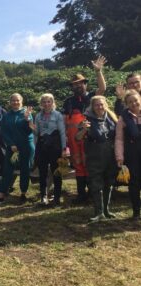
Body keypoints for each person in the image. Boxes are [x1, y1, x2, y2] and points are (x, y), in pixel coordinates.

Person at [63, 56, 107, 204]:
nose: (78, 86)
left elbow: (102, 88)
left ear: (85, 84)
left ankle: (93, 194)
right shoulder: (68, 101)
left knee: (91, 165)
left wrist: (98, 71)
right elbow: (64, 121)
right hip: (74, 139)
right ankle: (81, 195)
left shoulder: (92, 97)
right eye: (75, 85)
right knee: (78, 166)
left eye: (80, 83)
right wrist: (66, 143)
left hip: (90, 137)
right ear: (72, 87)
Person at [76, 96, 117, 222]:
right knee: (96, 184)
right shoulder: (86, 120)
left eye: (101, 104)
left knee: (109, 183)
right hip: (94, 156)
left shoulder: (112, 118)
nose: (99, 107)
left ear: (106, 105)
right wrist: (84, 130)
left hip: (110, 155)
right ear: (92, 107)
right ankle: (98, 212)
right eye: (96, 105)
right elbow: (77, 138)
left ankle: (106, 210)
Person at [0, 93, 35, 205]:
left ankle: (23, 194)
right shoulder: (7, 115)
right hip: (12, 147)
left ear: (21, 101)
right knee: (7, 169)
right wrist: (11, 144)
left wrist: (27, 120)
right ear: (10, 102)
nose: (15, 102)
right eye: (13, 101)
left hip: (26, 146)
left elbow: (30, 131)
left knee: (25, 169)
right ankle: (1, 195)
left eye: (17, 100)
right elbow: (3, 131)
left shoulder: (27, 113)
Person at [33, 94, 67, 206]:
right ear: (41, 104)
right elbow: (36, 134)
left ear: (52, 103)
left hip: (55, 147)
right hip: (42, 146)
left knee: (56, 172)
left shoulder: (58, 115)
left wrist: (64, 149)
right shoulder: (38, 116)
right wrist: (32, 129)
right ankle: (43, 197)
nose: (46, 104)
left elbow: (62, 133)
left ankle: (57, 197)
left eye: (49, 101)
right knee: (42, 173)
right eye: (44, 102)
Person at [115, 90, 141, 219]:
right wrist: (119, 156)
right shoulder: (123, 118)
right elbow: (119, 139)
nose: (134, 103)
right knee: (134, 183)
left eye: (136, 100)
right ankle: (136, 211)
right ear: (126, 104)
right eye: (130, 102)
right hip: (132, 154)